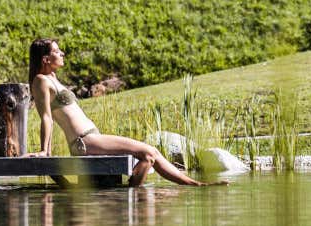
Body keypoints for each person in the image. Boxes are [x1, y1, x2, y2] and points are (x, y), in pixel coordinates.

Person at [29, 37, 215, 187]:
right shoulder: (41, 81)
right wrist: (45, 151)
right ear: (45, 59)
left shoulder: (53, 79)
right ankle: (134, 195)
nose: (62, 53)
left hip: (92, 139)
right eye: (56, 51)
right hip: (84, 142)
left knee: (152, 154)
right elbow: (46, 117)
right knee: (148, 154)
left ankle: (194, 184)